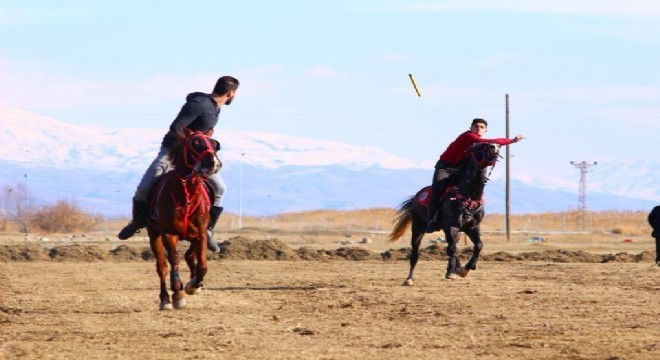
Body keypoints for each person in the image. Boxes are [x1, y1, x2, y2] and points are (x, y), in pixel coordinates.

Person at [118, 76, 240, 253]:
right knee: (144, 189)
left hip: (197, 158)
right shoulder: (199, 104)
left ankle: (208, 231)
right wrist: (190, 143)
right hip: (172, 153)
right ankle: (137, 222)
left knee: (220, 188)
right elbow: (176, 127)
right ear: (231, 93)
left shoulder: (215, 108)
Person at [426, 118, 525, 233]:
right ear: (471, 128)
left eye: (482, 127)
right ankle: (431, 221)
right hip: (445, 168)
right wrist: (512, 140)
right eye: (476, 126)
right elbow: (492, 141)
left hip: (460, 169)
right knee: (437, 190)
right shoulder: (468, 137)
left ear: (485, 131)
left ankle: (469, 217)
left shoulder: (480, 145)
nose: (479, 128)